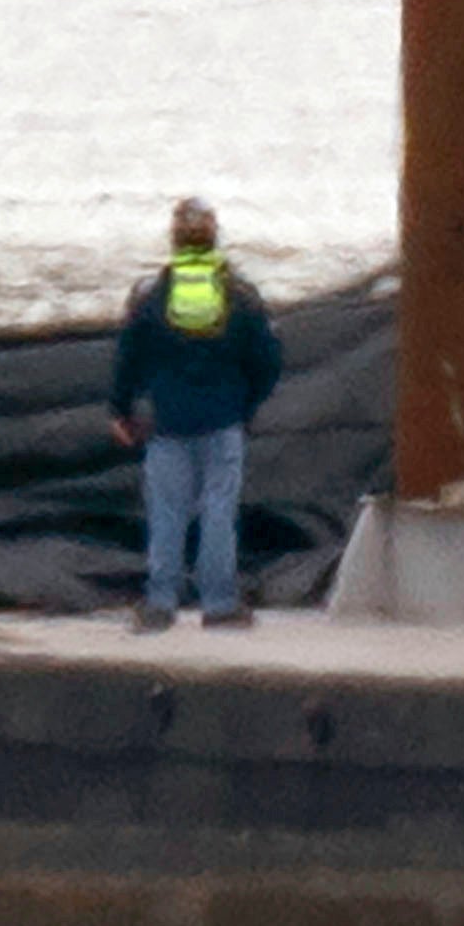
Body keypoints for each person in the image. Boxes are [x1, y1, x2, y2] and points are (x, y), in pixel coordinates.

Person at [107, 199, 281, 632]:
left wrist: (122, 410)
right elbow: (268, 359)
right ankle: (219, 605)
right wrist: (246, 405)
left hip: (167, 423)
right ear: (214, 236)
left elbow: (128, 357)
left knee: (167, 513)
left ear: (173, 239)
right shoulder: (239, 296)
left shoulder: (152, 296)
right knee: (218, 511)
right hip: (223, 421)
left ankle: (160, 604)